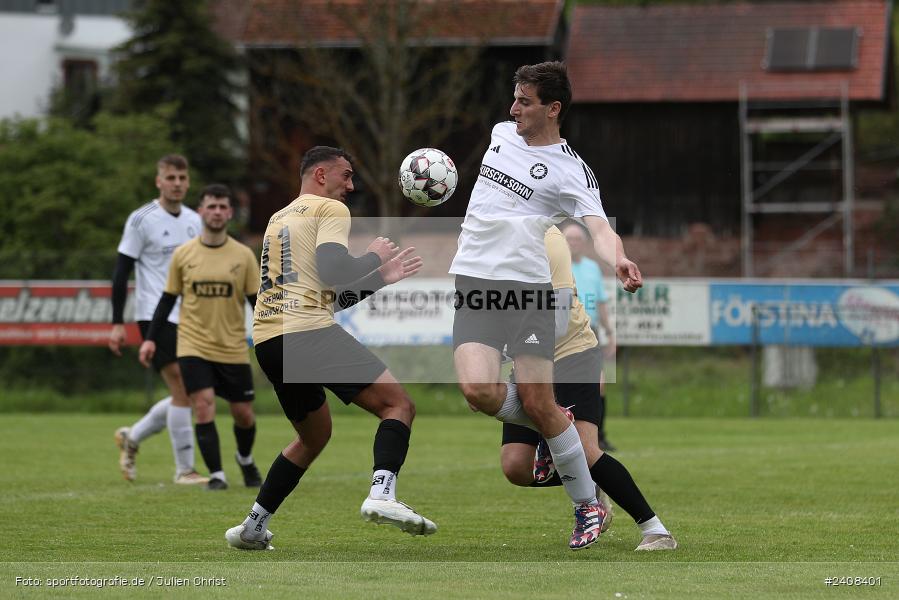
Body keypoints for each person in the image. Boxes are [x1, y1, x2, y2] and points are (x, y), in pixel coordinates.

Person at [449, 61, 642, 550]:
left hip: (528, 292)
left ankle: (586, 506)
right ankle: (564, 433)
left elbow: (599, 227)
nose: (513, 108)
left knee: (537, 402)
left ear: (553, 108)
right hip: (475, 282)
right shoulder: (500, 133)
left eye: (525, 101)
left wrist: (618, 259)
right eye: (513, 97)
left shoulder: (571, 170)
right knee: (478, 392)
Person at [225, 146, 436, 550]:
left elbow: (327, 295)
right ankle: (382, 494)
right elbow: (334, 269)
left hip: (270, 341)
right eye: (347, 176)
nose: (351, 186)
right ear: (321, 175)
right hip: (307, 334)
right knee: (399, 406)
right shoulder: (330, 211)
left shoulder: (278, 218)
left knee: (313, 437)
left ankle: (253, 527)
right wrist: (373, 256)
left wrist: (379, 278)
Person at [500, 226, 676, 551]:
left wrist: (508, 348)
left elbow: (560, 319)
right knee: (515, 466)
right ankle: (591, 486)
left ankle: (656, 530)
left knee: (586, 449)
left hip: (572, 353)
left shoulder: (550, 239)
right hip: (527, 357)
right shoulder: (493, 242)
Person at [139, 184, 262, 491]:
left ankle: (245, 459)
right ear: (201, 212)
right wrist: (150, 339)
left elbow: (255, 302)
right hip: (192, 344)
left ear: (230, 213)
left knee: (243, 414)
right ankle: (217, 473)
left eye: (223, 207)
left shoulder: (243, 256)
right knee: (203, 404)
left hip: (232, 347)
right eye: (211, 206)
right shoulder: (184, 255)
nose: (217, 212)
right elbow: (167, 300)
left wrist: (272, 336)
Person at [109, 154, 207, 485]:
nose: (177, 183)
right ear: (159, 181)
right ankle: (185, 470)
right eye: (170, 177)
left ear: (188, 182)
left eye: (182, 177)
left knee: (196, 392)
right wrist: (116, 323)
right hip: (154, 315)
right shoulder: (141, 219)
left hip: (192, 317)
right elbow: (121, 272)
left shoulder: (195, 221)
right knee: (182, 385)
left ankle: (133, 436)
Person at [561, 220, 617, 452]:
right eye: (569, 239)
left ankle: (598, 437)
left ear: (584, 244)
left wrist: (610, 333)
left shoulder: (593, 268)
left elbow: (601, 302)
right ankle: (559, 437)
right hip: (562, 333)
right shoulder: (554, 265)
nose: (573, 243)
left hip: (589, 333)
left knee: (599, 385)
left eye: (577, 239)